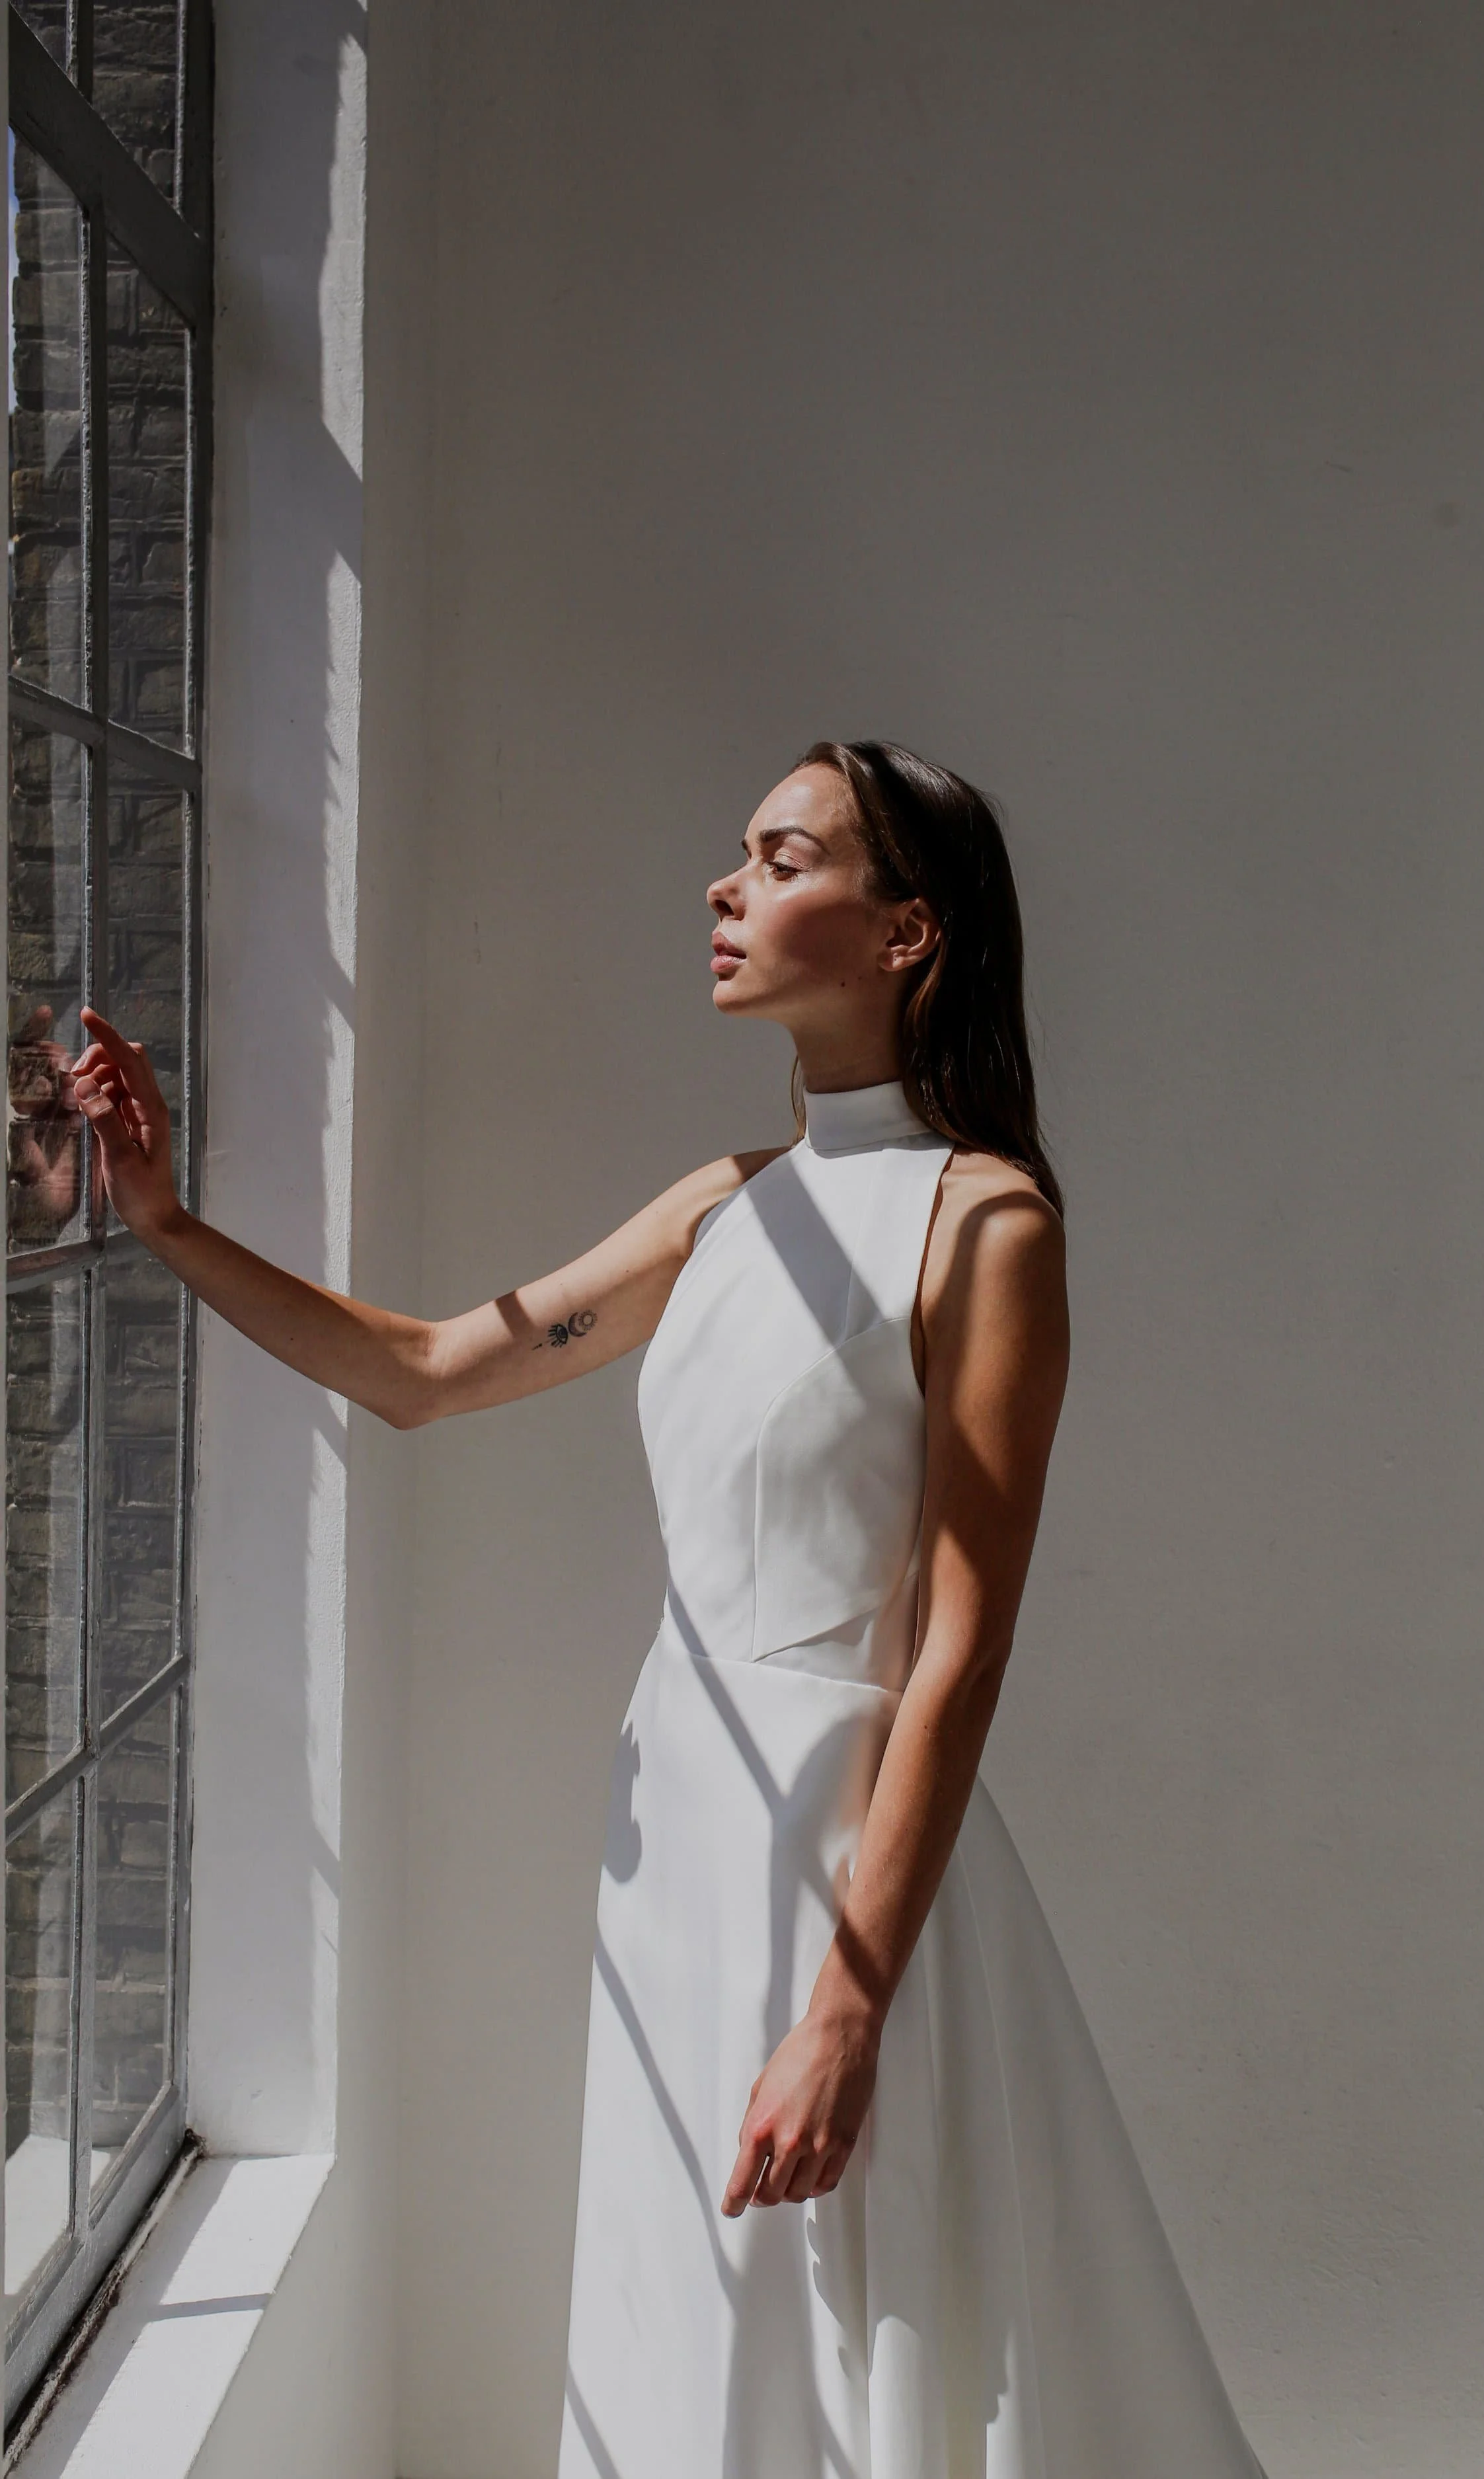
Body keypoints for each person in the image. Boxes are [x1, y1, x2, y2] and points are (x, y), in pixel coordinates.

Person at [71, 740, 1266, 2478]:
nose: (725, 887)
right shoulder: (725, 1209)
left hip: (837, 1866)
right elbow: (419, 1370)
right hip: (682, 1846)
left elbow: (957, 1643)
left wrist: (849, 2001)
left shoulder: (983, 1222)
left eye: (781, 860)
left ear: (904, 929)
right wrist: (167, 1220)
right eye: (742, 854)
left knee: (857, 2333)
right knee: (687, 2319)